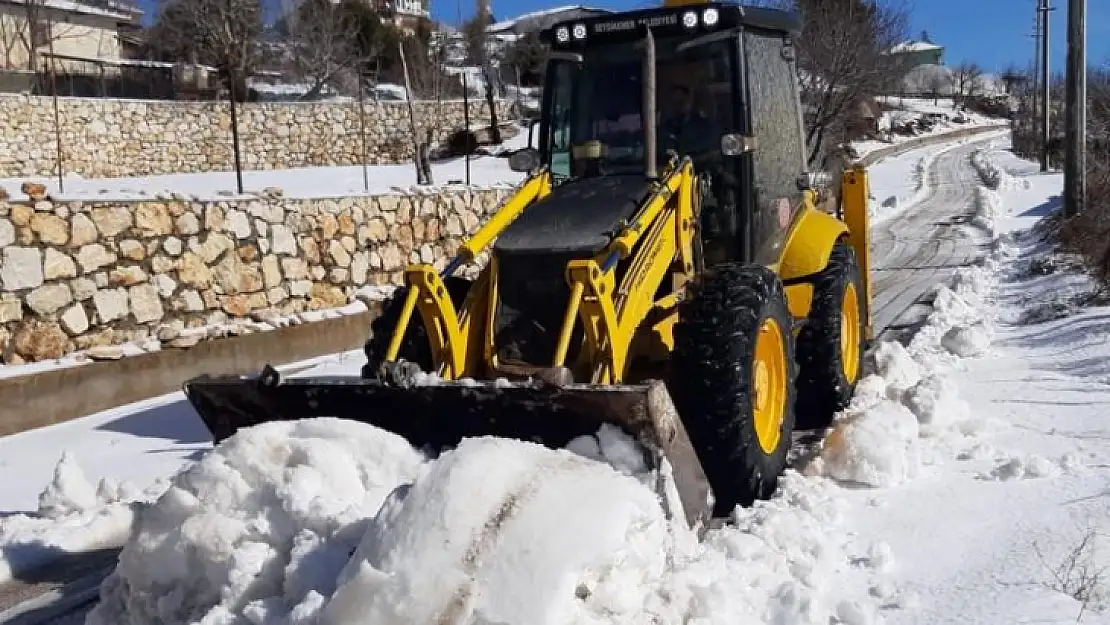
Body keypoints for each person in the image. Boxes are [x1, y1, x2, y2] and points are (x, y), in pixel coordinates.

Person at [658, 84, 718, 157]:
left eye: (681, 101)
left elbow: (706, 149)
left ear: (690, 101)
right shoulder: (667, 127)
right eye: (674, 102)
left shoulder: (705, 126)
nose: (678, 105)